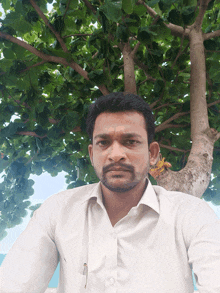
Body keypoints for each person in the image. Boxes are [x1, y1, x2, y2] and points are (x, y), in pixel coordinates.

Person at [1, 92, 220, 293]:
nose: (116, 154)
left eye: (130, 142)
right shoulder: (57, 211)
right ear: (92, 153)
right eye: (104, 143)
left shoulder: (191, 214)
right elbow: (14, 285)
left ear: (153, 154)